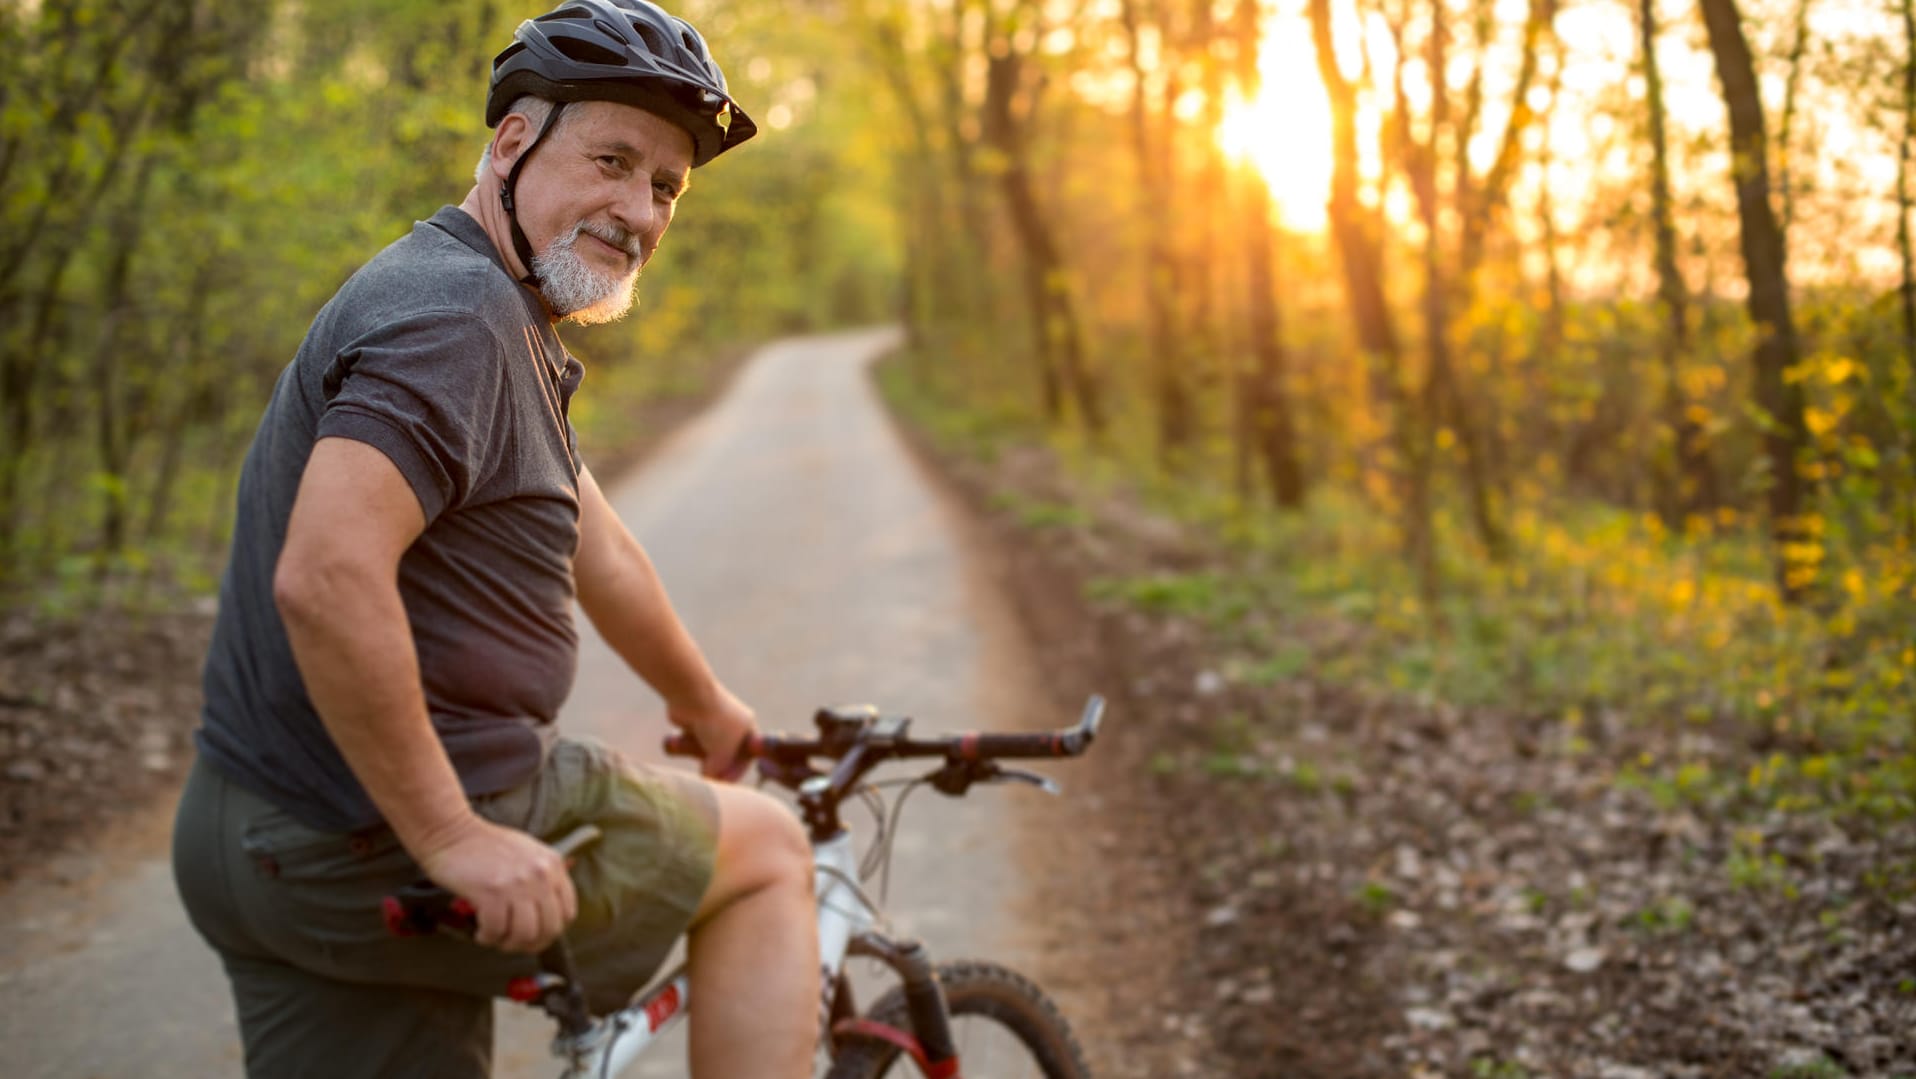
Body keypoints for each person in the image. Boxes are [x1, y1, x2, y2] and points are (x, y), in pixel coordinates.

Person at [169, 2, 819, 1075]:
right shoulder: (457, 320)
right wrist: (450, 835)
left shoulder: (481, 305)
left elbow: (591, 542)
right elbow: (327, 576)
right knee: (765, 851)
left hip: (254, 835)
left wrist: (703, 705)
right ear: (512, 142)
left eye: (665, 186)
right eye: (611, 159)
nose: (639, 210)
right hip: (368, 836)